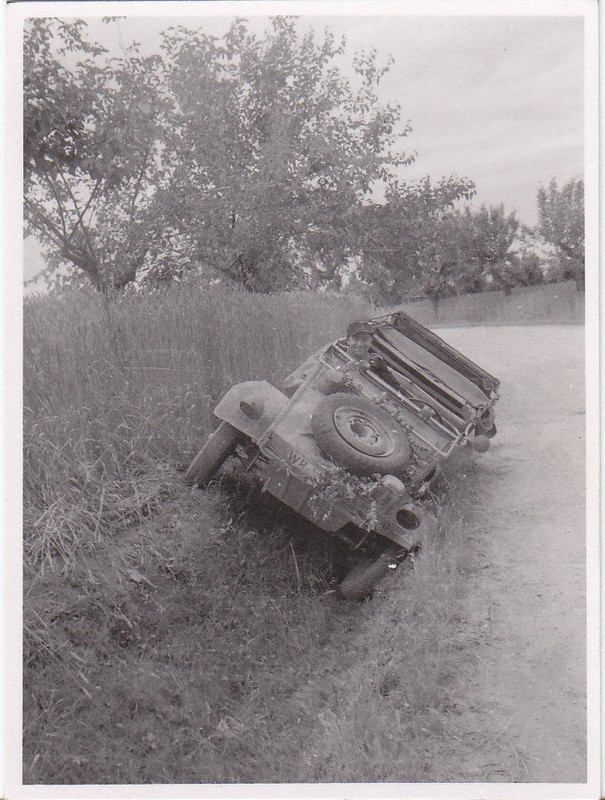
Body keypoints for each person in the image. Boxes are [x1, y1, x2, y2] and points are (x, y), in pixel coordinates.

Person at [283, 320, 389, 396]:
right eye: (356, 339)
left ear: (371, 342)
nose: (360, 344)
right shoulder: (333, 356)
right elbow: (302, 380)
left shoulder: (377, 363)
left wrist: (369, 369)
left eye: (365, 340)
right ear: (348, 340)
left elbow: (392, 389)